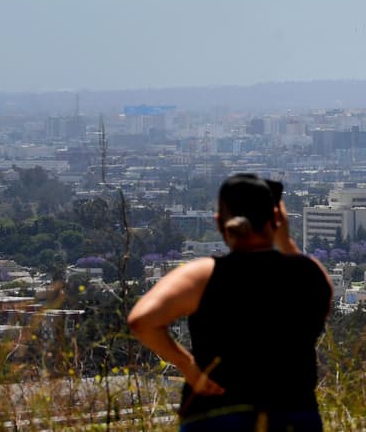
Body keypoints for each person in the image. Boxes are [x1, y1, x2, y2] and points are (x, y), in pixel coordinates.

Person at [128, 174, 333, 431]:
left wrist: (188, 367)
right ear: (276, 220)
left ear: (219, 223)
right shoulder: (307, 276)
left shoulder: (203, 276)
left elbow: (142, 321)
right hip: (292, 414)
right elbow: (320, 297)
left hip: (216, 414)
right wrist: (286, 241)